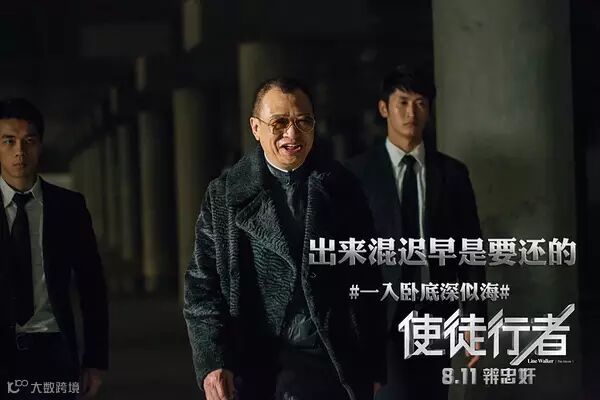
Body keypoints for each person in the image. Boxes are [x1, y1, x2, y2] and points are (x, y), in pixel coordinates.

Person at [183, 78, 386, 400]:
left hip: (332, 363)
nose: (292, 134)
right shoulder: (224, 195)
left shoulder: (342, 187)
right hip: (256, 364)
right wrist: (213, 362)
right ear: (256, 128)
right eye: (279, 123)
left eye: (303, 122)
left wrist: (373, 365)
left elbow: (368, 278)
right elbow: (201, 287)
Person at [345, 65, 487, 399]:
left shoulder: (451, 173)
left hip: (435, 313)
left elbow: (471, 252)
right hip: (380, 317)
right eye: (403, 103)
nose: (412, 113)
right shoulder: (357, 174)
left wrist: (474, 321)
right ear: (384, 108)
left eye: (421, 103)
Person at [0, 98, 108, 399]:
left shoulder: (68, 206)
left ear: (40, 145)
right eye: (8, 141)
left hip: (54, 352)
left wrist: (95, 361)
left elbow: (92, 287)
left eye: (29, 141)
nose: (20, 151)